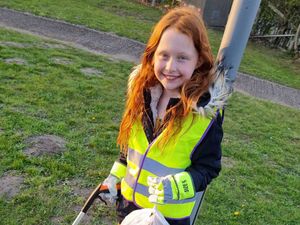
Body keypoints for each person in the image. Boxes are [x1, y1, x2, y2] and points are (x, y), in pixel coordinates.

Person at [100, 6, 224, 225]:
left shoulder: (205, 116)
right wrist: (114, 178)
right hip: (128, 209)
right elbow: (129, 150)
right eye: (163, 55)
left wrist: (179, 186)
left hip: (169, 218)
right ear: (153, 54)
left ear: (199, 60)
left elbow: (208, 168)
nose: (170, 66)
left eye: (182, 58)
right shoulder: (142, 94)